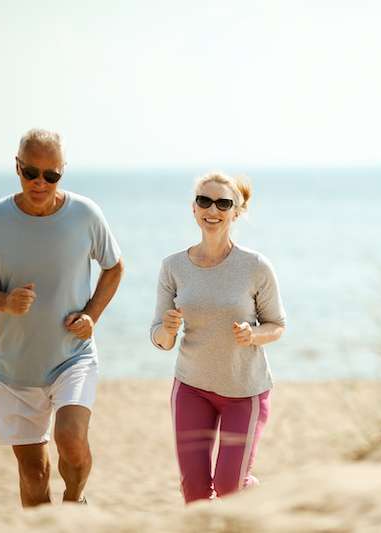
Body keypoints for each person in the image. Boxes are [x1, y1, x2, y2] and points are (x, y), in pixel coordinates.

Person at [0, 129, 124, 506]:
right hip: (15, 367)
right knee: (33, 474)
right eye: (31, 173)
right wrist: (5, 302)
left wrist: (92, 315)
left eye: (51, 175)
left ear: (62, 172)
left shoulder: (85, 214)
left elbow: (114, 267)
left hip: (73, 355)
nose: (40, 183)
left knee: (70, 439)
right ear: (17, 167)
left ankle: (74, 502)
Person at [150, 172, 286, 503]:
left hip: (245, 391)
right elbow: (159, 338)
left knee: (230, 487)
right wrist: (167, 329)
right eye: (204, 201)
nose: (213, 209)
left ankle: (254, 498)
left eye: (224, 203)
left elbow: (277, 325)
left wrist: (252, 335)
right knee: (195, 493)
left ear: (236, 212)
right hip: (192, 388)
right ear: (194, 209)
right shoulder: (173, 267)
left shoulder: (255, 266)